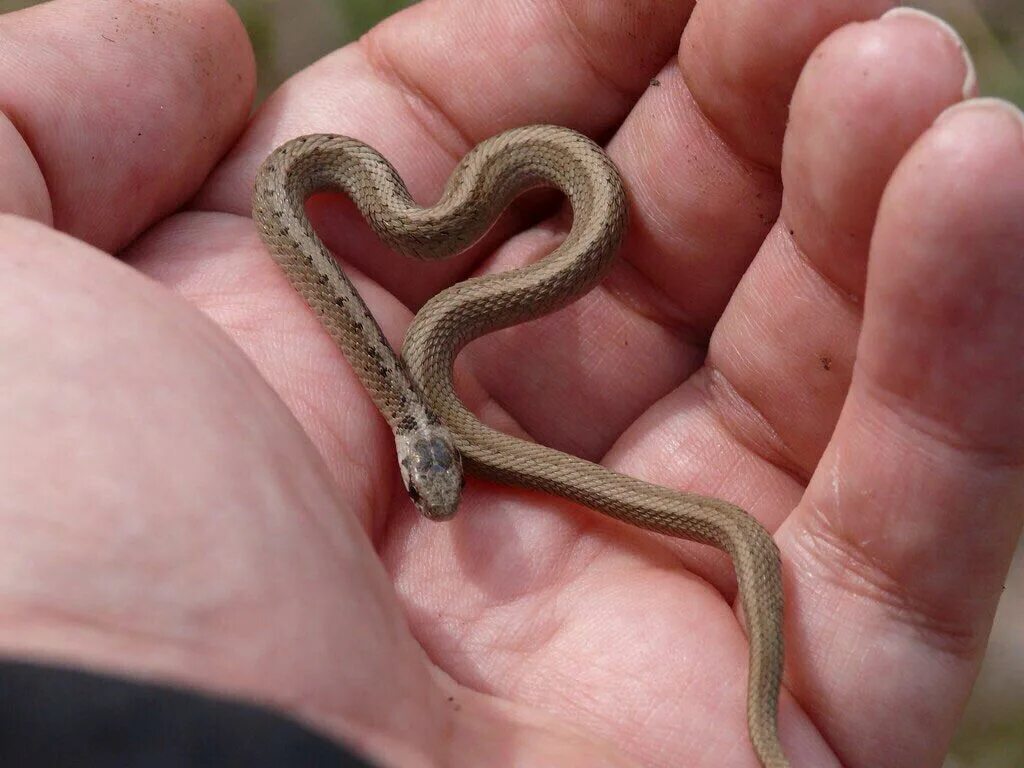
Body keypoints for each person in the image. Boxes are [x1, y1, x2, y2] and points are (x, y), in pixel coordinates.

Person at [0, 1, 1020, 766]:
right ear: (418, 452)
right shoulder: (323, 226)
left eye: (435, 478)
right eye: (431, 476)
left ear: (423, 457)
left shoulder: (424, 346)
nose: (440, 496)